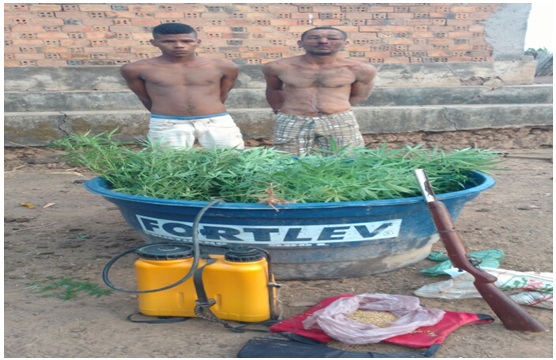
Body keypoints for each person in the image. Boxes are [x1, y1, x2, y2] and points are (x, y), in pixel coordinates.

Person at [120, 23, 244, 149]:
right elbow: (144, 97)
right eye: (168, 41)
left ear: (198, 42)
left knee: (232, 159)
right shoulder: (135, 69)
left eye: (187, 41)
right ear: (154, 42)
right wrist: (167, 112)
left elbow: (222, 94)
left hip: (216, 121)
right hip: (167, 123)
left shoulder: (225, 67)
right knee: (169, 163)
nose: (179, 45)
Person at [262, 27, 377, 156]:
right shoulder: (278, 67)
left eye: (332, 38)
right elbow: (274, 89)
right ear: (300, 43)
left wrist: (335, 107)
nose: (323, 41)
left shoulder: (360, 69)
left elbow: (359, 94)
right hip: (292, 119)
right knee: (287, 162)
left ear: (345, 43)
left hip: (339, 120)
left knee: (346, 162)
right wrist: (280, 112)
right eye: (314, 37)